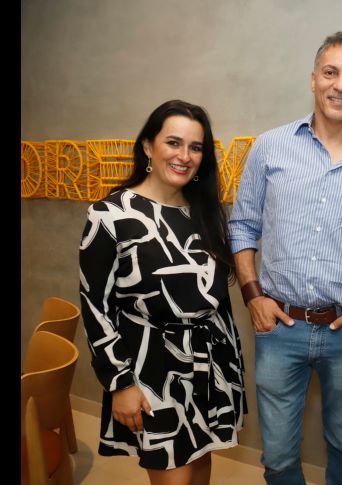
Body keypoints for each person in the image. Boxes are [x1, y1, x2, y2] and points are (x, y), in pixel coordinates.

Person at [228, 31, 342, 484]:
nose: (340, 85)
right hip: (279, 326)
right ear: (313, 79)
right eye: (331, 73)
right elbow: (243, 227)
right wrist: (253, 296)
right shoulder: (270, 147)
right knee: (279, 454)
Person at [79, 100, 247, 484]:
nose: (184, 156)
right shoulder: (110, 215)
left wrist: (230, 366)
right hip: (152, 368)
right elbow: (94, 305)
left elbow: (215, 298)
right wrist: (119, 382)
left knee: (202, 464)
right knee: (173, 475)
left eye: (195, 147)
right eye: (173, 142)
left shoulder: (204, 211)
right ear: (148, 146)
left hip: (211, 364)